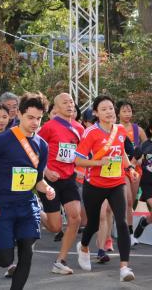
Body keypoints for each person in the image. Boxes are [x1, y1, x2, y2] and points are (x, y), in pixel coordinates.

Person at [0, 92, 55, 290]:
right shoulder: (3, 140)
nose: (35, 122)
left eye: (38, 118)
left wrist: (47, 188)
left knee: (27, 252)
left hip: (27, 206)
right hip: (2, 207)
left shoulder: (42, 146)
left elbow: (38, 180)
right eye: (30, 117)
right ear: (18, 114)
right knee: (6, 257)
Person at [75, 95, 137, 282]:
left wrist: (130, 168)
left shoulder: (119, 130)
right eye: (104, 109)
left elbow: (122, 152)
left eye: (111, 108)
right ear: (96, 113)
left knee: (121, 221)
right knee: (93, 223)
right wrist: (99, 162)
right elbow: (78, 160)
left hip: (116, 183)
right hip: (94, 184)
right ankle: (84, 246)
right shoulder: (90, 133)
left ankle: (124, 268)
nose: (109, 112)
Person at [36, 93, 84, 275]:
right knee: (55, 227)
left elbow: (79, 154)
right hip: (49, 180)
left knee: (75, 218)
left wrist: (78, 168)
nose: (70, 104)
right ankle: (37, 213)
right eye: (65, 102)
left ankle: (60, 260)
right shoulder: (48, 127)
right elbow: (34, 149)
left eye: (71, 101)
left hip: (68, 178)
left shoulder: (79, 128)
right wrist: (46, 170)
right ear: (55, 108)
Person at [116, 100, 147, 245]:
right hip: (120, 168)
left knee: (131, 202)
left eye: (129, 111)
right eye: (124, 111)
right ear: (118, 113)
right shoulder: (114, 128)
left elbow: (147, 148)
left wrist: (141, 159)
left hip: (136, 169)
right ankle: (126, 233)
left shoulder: (138, 130)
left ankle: (130, 231)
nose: (127, 114)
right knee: (127, 200)